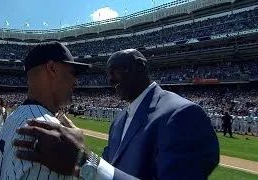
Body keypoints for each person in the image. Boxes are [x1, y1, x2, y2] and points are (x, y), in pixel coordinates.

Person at [13, 49, 220, 180]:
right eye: (108, 74)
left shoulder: (182, 114)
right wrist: (76, 149)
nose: (110, 80)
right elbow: (107, 165)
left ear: (140, 67)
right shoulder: (120, 120)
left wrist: (85, 162)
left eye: (116, 71)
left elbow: (97, 167)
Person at [0, 41, 92, 180]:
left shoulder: (12, 119)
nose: (75, 82)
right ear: (52, 69)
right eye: (72, 73)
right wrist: (85, 160)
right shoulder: (49, 131)